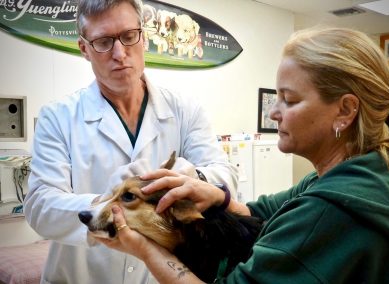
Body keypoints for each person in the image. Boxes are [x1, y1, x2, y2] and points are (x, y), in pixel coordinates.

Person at [98, 27, 389, 283]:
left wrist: (145, 250)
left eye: (289, 100)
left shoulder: (331, 211)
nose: (274, 113)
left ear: (345, 111)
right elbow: (267, 213)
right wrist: (217, 196)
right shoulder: (364, 172)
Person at [23, 0, 237, 283]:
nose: (120, 53)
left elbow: (226, 179)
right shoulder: (58, 117)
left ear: (143, 37)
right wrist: (110, 203)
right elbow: (40, 207)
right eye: (103, 42)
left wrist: (188, 178)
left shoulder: (185, 111)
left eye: (128, 36)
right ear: (84, 49)